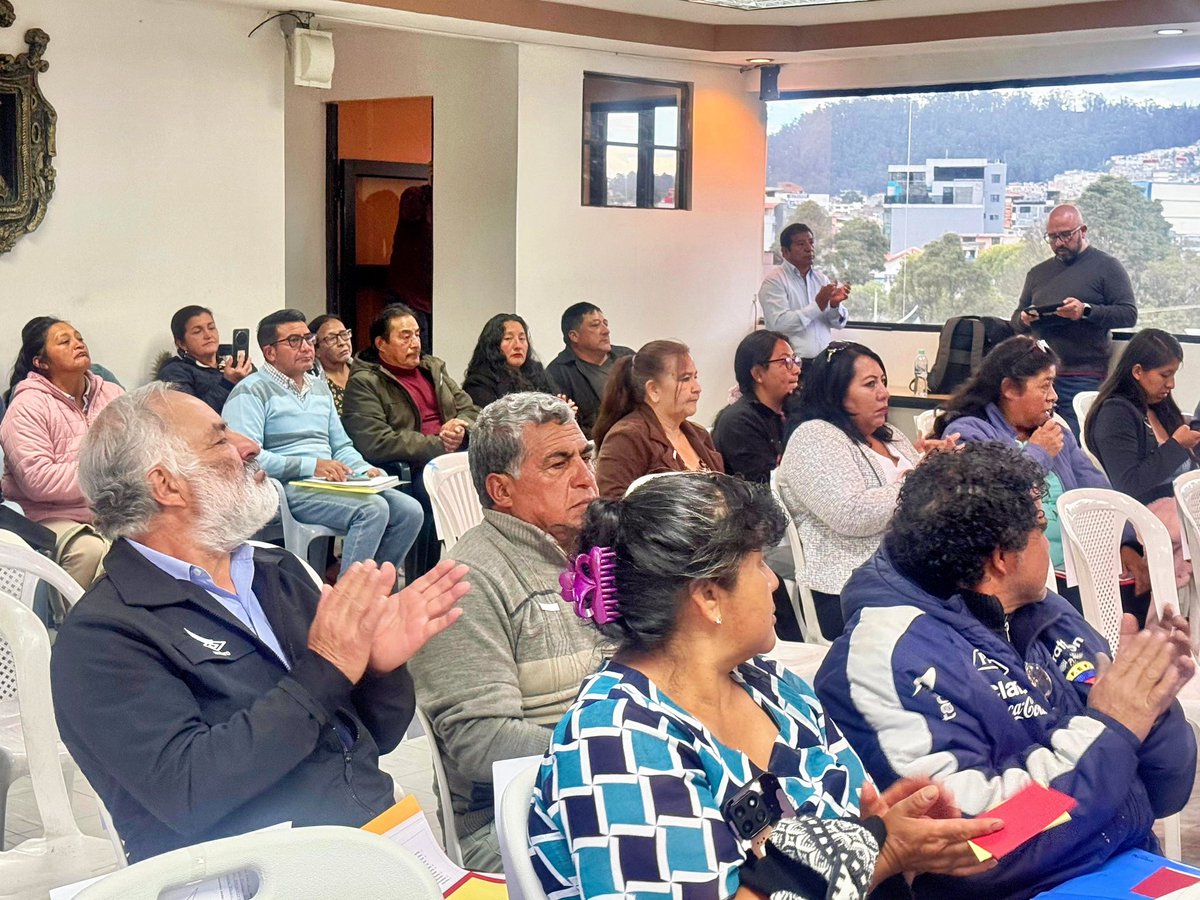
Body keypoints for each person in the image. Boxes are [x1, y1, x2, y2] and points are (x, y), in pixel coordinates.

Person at [529, 472, 1001, 900]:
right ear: (708, 595)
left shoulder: (774, 687)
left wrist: (899, 833)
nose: (773, 582)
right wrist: (880, 852)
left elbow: (852, 837)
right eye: (758, 564)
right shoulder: (615, 737)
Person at [52, 383, 469, 863]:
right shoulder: (103, 636)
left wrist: (377, 671)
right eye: (220, 439)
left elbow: (375, 736)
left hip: (376, 846)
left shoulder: (274, 571)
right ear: (166, 485)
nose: (249, 446)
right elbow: (190, 790)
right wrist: (327, 667)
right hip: (260, 875)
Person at [814, 443, 1196, 899]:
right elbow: (981, 841)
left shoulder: (1045, 611)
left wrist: (1152, 701)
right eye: (1041, 530)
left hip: (1125, 865)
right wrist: (1113, 727)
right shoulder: (885, 658)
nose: (1047, 544)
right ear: (1002, 557)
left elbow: (1165, 790)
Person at [407, 392, 607, 871]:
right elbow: (482, 744)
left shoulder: (597, 554)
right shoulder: (466, 585)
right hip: (516, 820)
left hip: (601, 786)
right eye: (559, 463)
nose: (586, 477)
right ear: (501, 490)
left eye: (585, 456)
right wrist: (617, 748)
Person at [933, 334, 1147, 598]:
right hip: (1015, 579)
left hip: (1075, 570)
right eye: (1045, 386)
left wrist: (1126, 543)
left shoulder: (1056, 433)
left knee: (1141, 591)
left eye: (1053, 385)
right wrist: (1039, 453)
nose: (1054, 396)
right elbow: (989, 500)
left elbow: (1098, 492)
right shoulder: (970, 432)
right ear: (1010, 389)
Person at [223, 309, 423, 578]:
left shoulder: (318, 387)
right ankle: (349, 597)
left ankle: (373, 588)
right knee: (372, 510)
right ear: (270, 352)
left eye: (308, 338)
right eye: (294, 341)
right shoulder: (250, 390)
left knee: (410, 511)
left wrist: (364, 470)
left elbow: (341, 446)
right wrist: (311, 466)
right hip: (283, 487)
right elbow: (248, 459)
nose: (307, 347)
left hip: (326, 484)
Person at [776, 341, 921, 641]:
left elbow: (925, 488)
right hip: (850, 587)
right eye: (870, 384)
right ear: (837, 393)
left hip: (908, 574)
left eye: (883, 381)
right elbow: (851, 514)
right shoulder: (814, 437)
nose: (884, 392)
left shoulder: (890, 435)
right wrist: (919, 482)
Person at [341, 303, 480, 577]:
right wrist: (439, 444)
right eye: (405, 337)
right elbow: (375, 441)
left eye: (417, 335)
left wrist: (460, 426)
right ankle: (423, 579)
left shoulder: (433, 369)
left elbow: (471, 409)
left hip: (454, 459)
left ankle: (477, 577)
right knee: (435, 494)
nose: (415, 343)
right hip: (412, 467)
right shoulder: (365, 382)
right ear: (381, 344)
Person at [0, 317, 123, 590]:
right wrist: (106, 477)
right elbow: (39, 480)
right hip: (47, 516)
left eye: (79, 338)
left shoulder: (112, 394)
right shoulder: (27, 405)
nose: (77, 344)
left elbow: (138, 452)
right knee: (88, 550)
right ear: (41, 362)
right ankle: (68, 616)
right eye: (64, 342)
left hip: (112, 510)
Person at [1084, 328, 1199, 588]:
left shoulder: (1158, 407)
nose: (1171, 384)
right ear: (1137, 371)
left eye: (1174, 375)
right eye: (1165, 375)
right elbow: (1129, 484)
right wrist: (1177, 446)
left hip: (1179, 508)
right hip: (1146, 516)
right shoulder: (1115, 414)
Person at [1011, 204, 1138, 436]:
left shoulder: (1107, 267)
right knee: (1034, 438)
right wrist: (1024, 318)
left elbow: (1128, 314)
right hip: (1039, 372)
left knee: (1073, 439)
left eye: (1066, 235)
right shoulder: (1037, 273)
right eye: (1052, 237)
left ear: (1083, 231)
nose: (1059, 243)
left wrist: (1086, 311)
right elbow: (1015, 319)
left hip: (1082, 374)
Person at [592, 340, 723, 499]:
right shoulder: (626, 438)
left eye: (695, 377)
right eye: (685, 378)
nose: (697, 388)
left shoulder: (699, 434)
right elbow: (611, 508)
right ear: (653, 390)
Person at [712, 330, 799, 484]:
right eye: (785, 361)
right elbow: (762, 486)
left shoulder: (791, 410)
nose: (796, 370)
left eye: (794, 360)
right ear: (758, 373)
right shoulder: (739, 422)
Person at [758, 223, 850, 368]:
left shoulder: (821, 279)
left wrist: (834, 305)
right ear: (785, 251)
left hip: (824, 363)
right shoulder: (774, 281)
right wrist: (817, 305)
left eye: (811, 242)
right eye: (801, 244)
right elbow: (779, 325)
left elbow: (838, 324)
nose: (809, 248)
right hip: (791, 365)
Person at [545, 303, 634, 438]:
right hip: (595, 443)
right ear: (574, 336)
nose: (606, 331)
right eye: (595, 325)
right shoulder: (557, 373)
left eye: (605, 324)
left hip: (637, 436)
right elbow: (565, 425)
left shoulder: (627, 357)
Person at [157, 305, 254, 413]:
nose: (208, 335)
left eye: (211, 328)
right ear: (181, 344)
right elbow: (190, 414)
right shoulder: (175, 372)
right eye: (197, 331)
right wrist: (227, 383)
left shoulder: (233, 358)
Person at [461, 313, 558, 407]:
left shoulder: (536, 373)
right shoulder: (479, 383)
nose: (518, 346)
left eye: (522, 338)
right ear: (493, 345)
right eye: (508, 338)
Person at [309, 314, 354, 415]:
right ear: (316, 350)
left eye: (344, 334)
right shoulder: (310, 382)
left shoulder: (363, 370)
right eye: (331, 338)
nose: (342, 342)